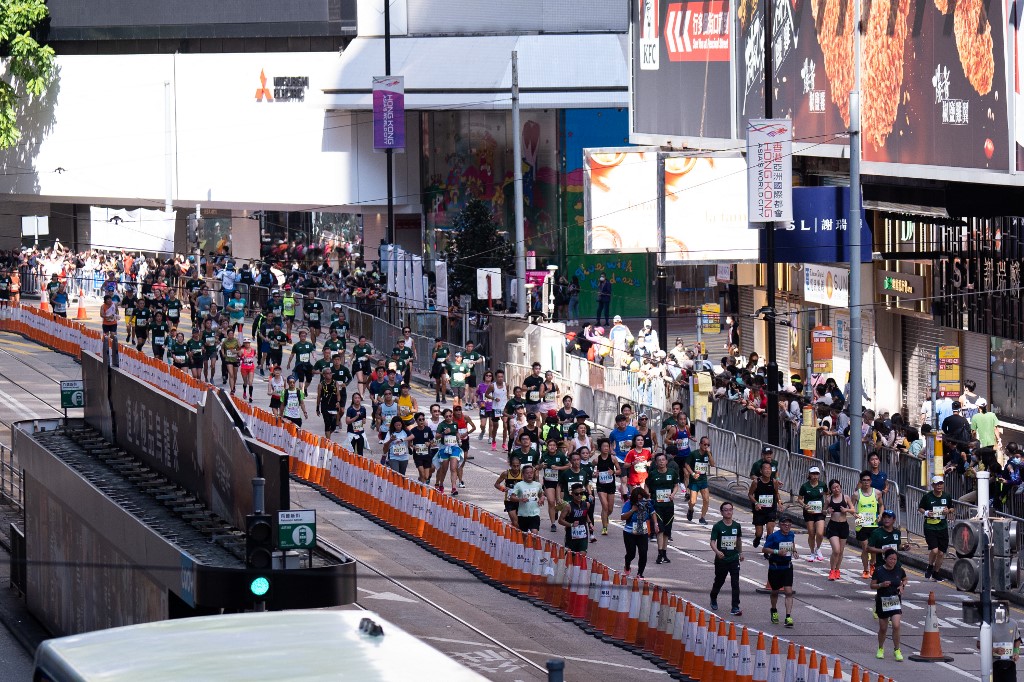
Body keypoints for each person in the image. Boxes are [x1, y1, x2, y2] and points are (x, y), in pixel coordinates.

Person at [870, 549, 907, 661]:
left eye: (895, 559)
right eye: (890, 559)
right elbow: (872, 585)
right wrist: (881, 584)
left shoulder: (899, 570)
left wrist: (902, 586)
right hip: (882, 601)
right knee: (883, 628)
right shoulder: (879, 570)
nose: (893, 561)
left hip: (895, 601)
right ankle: (881, 648)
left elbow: (905, 579)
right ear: (885, 559)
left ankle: (897, 650)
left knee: (896, 625)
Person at [709, 502, 744, 616]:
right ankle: (713, 597)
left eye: (730, 509)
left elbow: (738, 540)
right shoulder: (718, 526)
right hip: (722, 559)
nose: (728, 512)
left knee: (735, 583)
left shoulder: (737, 525)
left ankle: (735, 606)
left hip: (734, 558)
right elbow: (712, 542)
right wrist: (717, 551)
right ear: (721, 512)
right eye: (726, 510)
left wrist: (740, 552)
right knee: (719, 581)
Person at [918, 476, 955, 580]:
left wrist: (949, 511)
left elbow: (952, 507)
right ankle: (930, 566)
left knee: (941, 553)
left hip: (942, 527)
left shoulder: (946, 496)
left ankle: (936, 573)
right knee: (934, 550)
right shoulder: (927, 497)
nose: (939, 486)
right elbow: (920, 508)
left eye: (941, 483)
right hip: (930, 526)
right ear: (933, 485)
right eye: (937, 484)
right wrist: (926, 512)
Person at [762, 516, 797, 627]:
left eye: (789, 525)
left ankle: (788, 617)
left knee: (788, 592)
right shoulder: (773, 536)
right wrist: (777, 551)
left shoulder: (791, 534)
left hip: (787, 567)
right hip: (775, 567)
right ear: (780, 525)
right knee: (775, 591)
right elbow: (764, 549)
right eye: (784, 524)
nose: (787, 527)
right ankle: (774, 610)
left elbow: (792, 544)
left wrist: (795, 551)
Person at [646, 453, 680, 564]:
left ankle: (664, 553)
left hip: (669, 505)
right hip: (657, 505)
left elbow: (676, 485)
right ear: (656, 463)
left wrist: (673, 494)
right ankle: (659, 553)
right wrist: (647, 495)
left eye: (663, 460)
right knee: (659, 529)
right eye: (659, 460)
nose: (661, 462)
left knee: (666, 531)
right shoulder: (652, 474)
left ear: (666, 461)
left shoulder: (672, 473)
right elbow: (647, 485)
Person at [620, 486, 656, 577]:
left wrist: (656, 524)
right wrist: (632, 510)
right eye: (637, 499)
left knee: (643, 552)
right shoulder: (629, 504)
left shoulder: (646, 503)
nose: (639, 500)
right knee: (631, 553)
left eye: (640, 498)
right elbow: (623, 517)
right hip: (629, 532)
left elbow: (653, 513)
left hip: (642, 532)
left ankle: (640, 573)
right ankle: (627, 565)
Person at [558, 450, 594, 539]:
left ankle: (583, 536)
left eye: (578, 459)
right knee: (569, 522)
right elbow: (559, 486)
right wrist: (558, 498)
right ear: (570, 461)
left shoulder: (583, 473)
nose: (576, 462)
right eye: (574, 460)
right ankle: (569, 540)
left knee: (581, 518)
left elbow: (586, 484)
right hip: (568, 501)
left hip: (580, 500)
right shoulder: (565, 473)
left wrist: (590, 494)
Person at [854, 471, 883, 579]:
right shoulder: (857, 494)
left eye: (868, 480)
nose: (866, 482)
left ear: (871, 481)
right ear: (861, 482)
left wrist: (880, 515)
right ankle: (866, 570)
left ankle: (872, 564)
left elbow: (881, 505)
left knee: (873, 548)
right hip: (861, 524)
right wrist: (855, 514)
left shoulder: (877, 493)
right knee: (865, 548)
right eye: (864, 480)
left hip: (873, 524)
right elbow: (852, 507)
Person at [591, 438, 621, 536]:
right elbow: (590, 470)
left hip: (611, 485)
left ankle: (605, 517)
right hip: (601, 486)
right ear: (600, 448)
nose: (606, 448)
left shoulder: (613, 459)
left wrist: (614, 472)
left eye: (607, 446)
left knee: (610, 509)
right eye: (604, 446)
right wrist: (594, 474)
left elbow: (619, 471)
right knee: (605, 506)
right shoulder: (596, 460)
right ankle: (605, 527)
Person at [798, 466, 827, 562]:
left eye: (817, 474)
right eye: (813, 474)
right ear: (809, 475)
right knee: (811, 533)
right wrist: (804, 505)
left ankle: (818, 548)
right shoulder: (805, 486)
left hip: (820, 512)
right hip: (809, 512)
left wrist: (826, 507)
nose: (815, 476)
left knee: (820, 532)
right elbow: (799, 499)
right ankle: (812, 552)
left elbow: (828, 496)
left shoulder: (822, 485)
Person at [748, 461, 780, 548]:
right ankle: (757, 539)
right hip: (759, 510)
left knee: (770, 531)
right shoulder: (756, 482)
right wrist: (756, 503)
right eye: (765, 469)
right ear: (761, 471)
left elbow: (776, 493)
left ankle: (767, 549)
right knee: (759, 533)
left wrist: (779, 503)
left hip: (771, 510)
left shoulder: (774, 482)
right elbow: (750, 494)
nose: (768, 471)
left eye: (769, 469)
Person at [540, 439, 569, 532]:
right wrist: (542, 466)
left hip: (559, 482)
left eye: (553, 445)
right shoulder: (544, 455)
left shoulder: (560, 455)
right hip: (549, 482)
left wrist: (558, 468)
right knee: (551, 502)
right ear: (547, 447)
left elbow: (568, 465)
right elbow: (538, 466)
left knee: (560, 502)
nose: (552, 447)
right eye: (550, 445)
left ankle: (555, 511)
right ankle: (553, 523)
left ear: (556, 447)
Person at [433, 408, 464, 495]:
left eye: (450, 416)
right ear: (444, 417)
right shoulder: (441, 425)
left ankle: (453, 488)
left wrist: (459, 438)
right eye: (446, 416)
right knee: (444, 469)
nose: (448, 418)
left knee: (453, 468)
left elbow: (456, 432)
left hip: (454, 447)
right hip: (444, 448)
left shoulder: (455, 424)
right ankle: (441, 484)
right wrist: (444, 433)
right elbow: (437, 436)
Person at [989, 603, 1022, 682]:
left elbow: (1017, 639)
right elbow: (980, 644)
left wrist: (1016, 652)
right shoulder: (988, 625)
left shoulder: (1013, 624)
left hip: (1010, 663)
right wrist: (994, 650)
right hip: (994, 663)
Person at [685, 436, 714, 524]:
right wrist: (693, 474)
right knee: (693, 501)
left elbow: (713, 464)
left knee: (706, 499)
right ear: (700, 444)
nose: (706, 446)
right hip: (694, 480)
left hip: (703, 480)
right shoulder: (694, 454)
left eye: (708, 445)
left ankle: (702, 517)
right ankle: (690, 509)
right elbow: (687, 464)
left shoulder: (708, 454)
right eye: (705, 444)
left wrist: (709, 454)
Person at [560, 482, 592, 555]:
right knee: (572, 558)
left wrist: (590, 524)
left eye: (581, 493)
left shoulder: (586, 504)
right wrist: (571, 525)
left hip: (583, 535)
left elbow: (585, 515)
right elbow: (560, 520)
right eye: (577, 494)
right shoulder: (568, 506)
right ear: (572, 494)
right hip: (571, 536)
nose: (579, 495)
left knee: (582, 555)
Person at [512, 464, 544, 534]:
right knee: (523, 535)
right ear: (523, 474)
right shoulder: (519, 485)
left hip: (535, 513)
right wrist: (520, 499)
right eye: (527, 473)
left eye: (531, 473)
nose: (529, 475)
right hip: (523, 514)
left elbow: (541, 494)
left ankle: (533, 545)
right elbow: (512, 497)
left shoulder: (537, 484)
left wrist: (542, 499)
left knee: (534, 533)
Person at [495, 454, 525, 526]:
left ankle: (515, 534)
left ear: (520, 465)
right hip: (509, 501)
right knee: (515, 522)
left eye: (518, 466)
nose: (516, 468)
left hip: (519, 500)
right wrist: (503, 489)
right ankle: (517, 535)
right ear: (510, 465)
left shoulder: (523, 474)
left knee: (520, 522)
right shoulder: (506, 473)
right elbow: (496, 484)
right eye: (514, 466)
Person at [408, 412, 435, 484]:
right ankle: (423, 492)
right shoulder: (413, 431)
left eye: (423, 419)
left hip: (427, 455)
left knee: (426, 476)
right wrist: (413, 446)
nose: (422, 421)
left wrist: (429, 443)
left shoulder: (428, 429)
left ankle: (420, 480)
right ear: (416, 421)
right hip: (418, 455)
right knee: (422, 473)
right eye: (419, 420)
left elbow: (432, 439)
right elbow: (409, 442)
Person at [316, 369, 343, 440]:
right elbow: (319, 396)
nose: (330, 375)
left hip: (334, 405)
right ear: (324, 375)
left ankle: (327, 436)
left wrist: (338, 402)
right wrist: (317, 408)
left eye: (330, 373)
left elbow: (338, 394)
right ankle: (328, 440)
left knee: (334, 426)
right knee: (327, 423)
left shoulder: (335, 383)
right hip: (325, 406)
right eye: (327, 373)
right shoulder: (321, 384)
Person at [345, 393, 368, 457]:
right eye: (355, 398)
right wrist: (356, 417)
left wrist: (364, 421)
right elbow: (347, 421)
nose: (357, 400)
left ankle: (359, 465)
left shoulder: (363, 409)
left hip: (360, 432)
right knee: (351, 452)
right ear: (353, 399)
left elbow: (364, 419)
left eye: (358, 398)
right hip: (352, 433)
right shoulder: (350, 409)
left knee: (360, 452)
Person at [429, 338, 450, 403]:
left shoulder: (445, 348)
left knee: (444, 381)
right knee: (438, 382)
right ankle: (437, 395)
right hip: (437, 366)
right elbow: (433, 357)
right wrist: (435, 349)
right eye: (436, 342)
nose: (438, 343)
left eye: (439, 341)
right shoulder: (434, 349)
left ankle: (443, 397)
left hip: (443, 365)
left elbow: (449, 354)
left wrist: (447, 357)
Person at [221, 327, 241, 394]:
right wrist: (223, 354)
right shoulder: (225, 341)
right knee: (231, 374)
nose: (231, 335)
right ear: (227, 334)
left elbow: (240, 349)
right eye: (229, 334)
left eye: (232, 334)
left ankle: (234, 385)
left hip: (235, 359)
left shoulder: (236, 340)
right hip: (228, 359)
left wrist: (236, 351)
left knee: (235, 375)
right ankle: (232, 389)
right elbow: (222, 348)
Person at [239, 337, 257, 402]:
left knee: (250, 382)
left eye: (248, 343)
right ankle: (244, 391)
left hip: (251, 368)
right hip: (244, 368)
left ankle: (251, 396)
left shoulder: (253, 350)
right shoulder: (241, 350)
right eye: (246, 343)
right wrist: (242, 358)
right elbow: (238, 358)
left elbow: (255, 355)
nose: (247, 344)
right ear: (244, 343)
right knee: (245, 382)